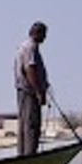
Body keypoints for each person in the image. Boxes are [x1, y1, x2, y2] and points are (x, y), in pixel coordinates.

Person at [14, 21, 50, 156]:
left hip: (24, 91)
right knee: (31, 125)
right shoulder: (31, 47)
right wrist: (38, 92)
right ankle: (29, 156)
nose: (45, 38)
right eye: (44, 34)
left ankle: (23, 154)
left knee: (25, 124)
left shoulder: (24, 46)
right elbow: (30, 69)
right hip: (29, 92)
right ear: (37, 33)